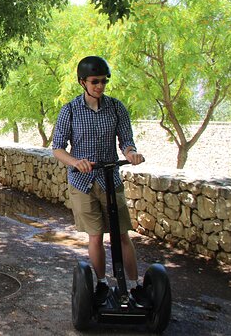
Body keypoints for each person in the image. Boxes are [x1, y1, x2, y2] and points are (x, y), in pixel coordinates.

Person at [52, 56, 148, 307]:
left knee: (122, 235)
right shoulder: (70, 110)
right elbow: (57, 148)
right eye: (95, 81)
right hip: (82, 182)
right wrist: (75, 162)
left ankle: (135, 285)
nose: (100, 86)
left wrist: (131, 153)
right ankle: (102, 284)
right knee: (95, 236)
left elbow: (126, 140)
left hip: (110, 179)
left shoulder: (116, 108)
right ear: (82, 82)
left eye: (103, 81)